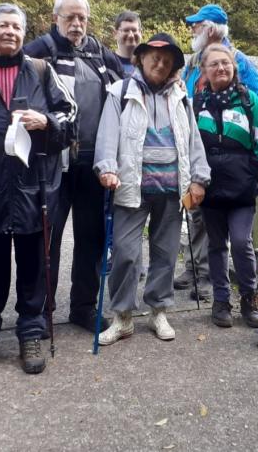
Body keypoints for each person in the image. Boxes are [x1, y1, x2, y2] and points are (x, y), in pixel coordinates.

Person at [0, 3, 76, 375]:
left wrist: (48, 121)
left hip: (34, 191)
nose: (10, 32)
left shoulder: (41, 71)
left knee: (34, 267)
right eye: (3, 26)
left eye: (17, 27)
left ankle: (30, 333)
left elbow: (71, 120)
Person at [95, 33, 211, 346]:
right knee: (126, 252)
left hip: (173, 188)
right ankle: (123, 316)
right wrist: (106, 167)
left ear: (173, 64)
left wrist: (199, 177)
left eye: (166, 59)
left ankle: (159, 309)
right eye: (154, 57)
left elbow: (192, 140)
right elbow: (108, 134)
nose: (159, 63)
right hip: (132, 185)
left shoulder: (180, 96)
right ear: (141, 58)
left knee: (165, 253)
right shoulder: (120, 92)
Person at [23, 0, 124, 334]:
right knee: (46, 238)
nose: (77, 24)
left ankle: (83, 307)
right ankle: (42, 310)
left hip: (92, 164)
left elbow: (126, 94)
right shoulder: (38, 53)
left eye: (82, 17)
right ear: (56, 19)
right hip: (53, 164)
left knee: (91, 240)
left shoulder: (101, 54)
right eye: (70, 17)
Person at [175, 3, 258, 301]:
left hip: (233, 164)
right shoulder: (195, 61)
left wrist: (248, 157)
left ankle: (208, 279)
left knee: (228, 235)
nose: (192, 30)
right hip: (202, 155)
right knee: (198, 216)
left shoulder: (235, 59)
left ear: (212, 29)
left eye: (196, 25)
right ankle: (195, 268)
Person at [193, 44, 258, 328]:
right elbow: (191, 145)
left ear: (234, 67)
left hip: (241, 188)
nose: (221, 68)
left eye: (225, 63)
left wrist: (253, 169)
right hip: (209, 189)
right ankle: (221, 300)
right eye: (213, 64)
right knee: (216, 245)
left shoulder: (250, 102)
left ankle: (249, 299)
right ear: (204, 71)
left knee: (241, 242)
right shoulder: (197, 103)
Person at [112, 11, 141, 77]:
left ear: (140, 32)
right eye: (126, 30)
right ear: (115, 34)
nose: (131, 35)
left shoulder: (147, 65)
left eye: (134, 30)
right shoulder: (107, 64)